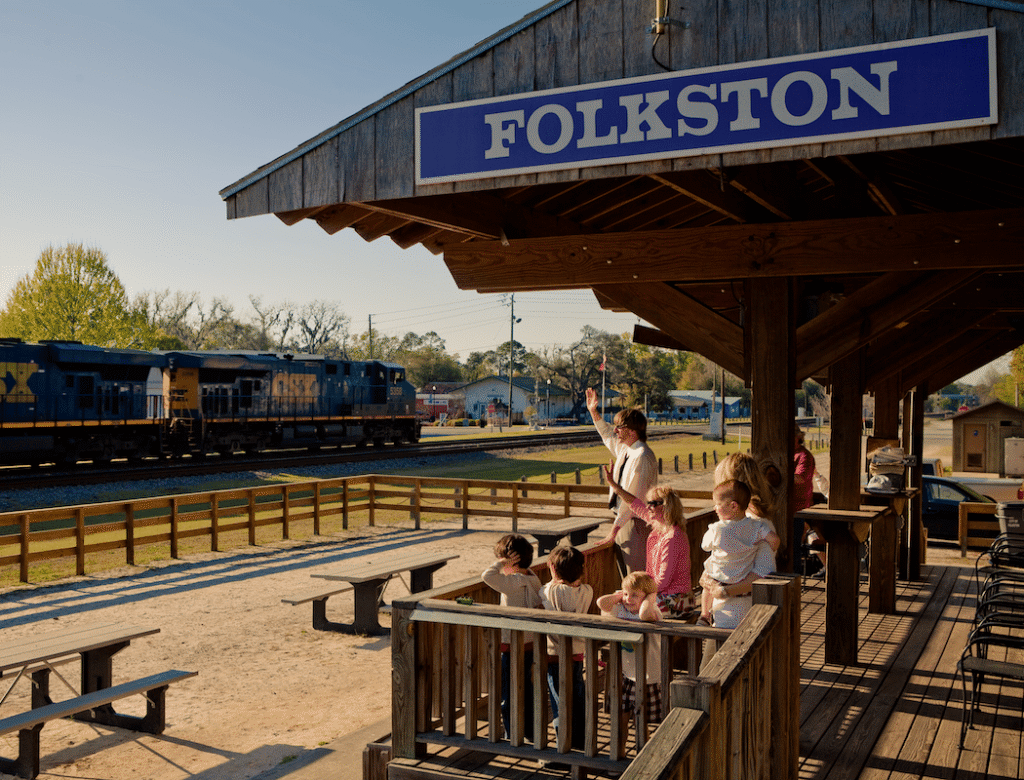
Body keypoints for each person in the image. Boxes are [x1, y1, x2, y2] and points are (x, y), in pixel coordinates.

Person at [603, 462, 694, 618]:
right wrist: (614, 486)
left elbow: (663, 581)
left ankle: (635, 641)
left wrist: (638, 593)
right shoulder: (658, 526)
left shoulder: (673, 537)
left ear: (666, 507)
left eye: (654, 503)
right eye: (649, 503)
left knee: (626, 607)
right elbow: (635, 504)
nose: (649, 507)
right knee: (622, 603)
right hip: (662, 595)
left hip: (679, 601)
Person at [586, 386, 658, 575]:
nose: (616, 430)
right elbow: (607, 435)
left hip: (634, 524)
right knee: (627, 579)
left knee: (636, 579)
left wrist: (614, 531)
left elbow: (632, 501)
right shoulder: (627, 450)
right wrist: (593, 412)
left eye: (619, 427)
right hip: (624, 522)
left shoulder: (641, 456)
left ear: (632, 430)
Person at [482, 533, 543, 741]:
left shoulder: (510, 582)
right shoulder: (533, 578)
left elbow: (487, 576)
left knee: (508, 692)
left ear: (511, 561)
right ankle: (531, 733)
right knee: (529, 691)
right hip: (532, 643)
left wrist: (500, 563)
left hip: (511, 644)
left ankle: (511, 734)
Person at [699, 479, 780, 628]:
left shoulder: (717, 529)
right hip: (741, 580)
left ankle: (704, 615)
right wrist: (773, 548)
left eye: (717, 504)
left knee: (708, 576)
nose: (715, 508)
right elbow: (774, 540)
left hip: (723, 589)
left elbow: (705, 545)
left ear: (733, 506)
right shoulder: (757, 527)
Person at [540, 543, 593, 751]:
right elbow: (577, 587)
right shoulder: (587, 591)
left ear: (553, 569)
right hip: (577, 653)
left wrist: (554, 576)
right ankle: (580, 744)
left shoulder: (549, 590)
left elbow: (545, 590)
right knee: (577, 698)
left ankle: (564, 747)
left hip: (555, 654)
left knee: (560, 702)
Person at [597, 571, 664, 732]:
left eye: (634, 595)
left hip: (648, 674)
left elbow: (644, 614)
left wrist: (651, 596)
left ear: (648, 597)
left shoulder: (652, 610)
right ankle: (620, 751)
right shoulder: (621, 609)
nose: (628, 599)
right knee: (621, 714)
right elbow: (601, 603)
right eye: (626, 594)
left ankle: (643, 750)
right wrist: (621, 595)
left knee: (641, 719)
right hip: (626, 671)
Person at [793, 429, 823, 572]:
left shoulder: (804, 456)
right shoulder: (786, 453)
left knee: (793, 549)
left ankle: (794, 580)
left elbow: (800, 478)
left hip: (798, 510)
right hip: (781, 508)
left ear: (798, 437)